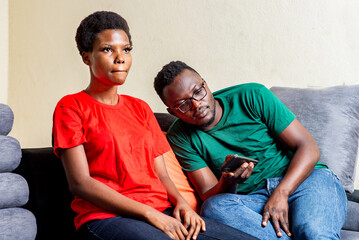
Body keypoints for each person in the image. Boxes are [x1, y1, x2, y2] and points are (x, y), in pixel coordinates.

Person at [52, 11, 257, 240]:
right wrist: (151, 214)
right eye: (108, 49)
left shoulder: (140, 108)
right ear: (86, 57)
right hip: (106, 218)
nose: (120, 57)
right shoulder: (70, 107)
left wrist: (182, 204)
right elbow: (80, 183)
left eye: (126, 49)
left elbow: (162, 175)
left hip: (163, 211)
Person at [153, 60, 348, 240]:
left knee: (312, 232)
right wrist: (228, 181)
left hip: (305, 181)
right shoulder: (179, 136)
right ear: (172, 112)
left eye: (198, 91)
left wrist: (282, 192)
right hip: (253, 201)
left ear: (205, 84)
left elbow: (309, 147)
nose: (196, 104)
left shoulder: (252, 95)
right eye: (183, 105)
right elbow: (208, 194)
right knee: (213, 208)